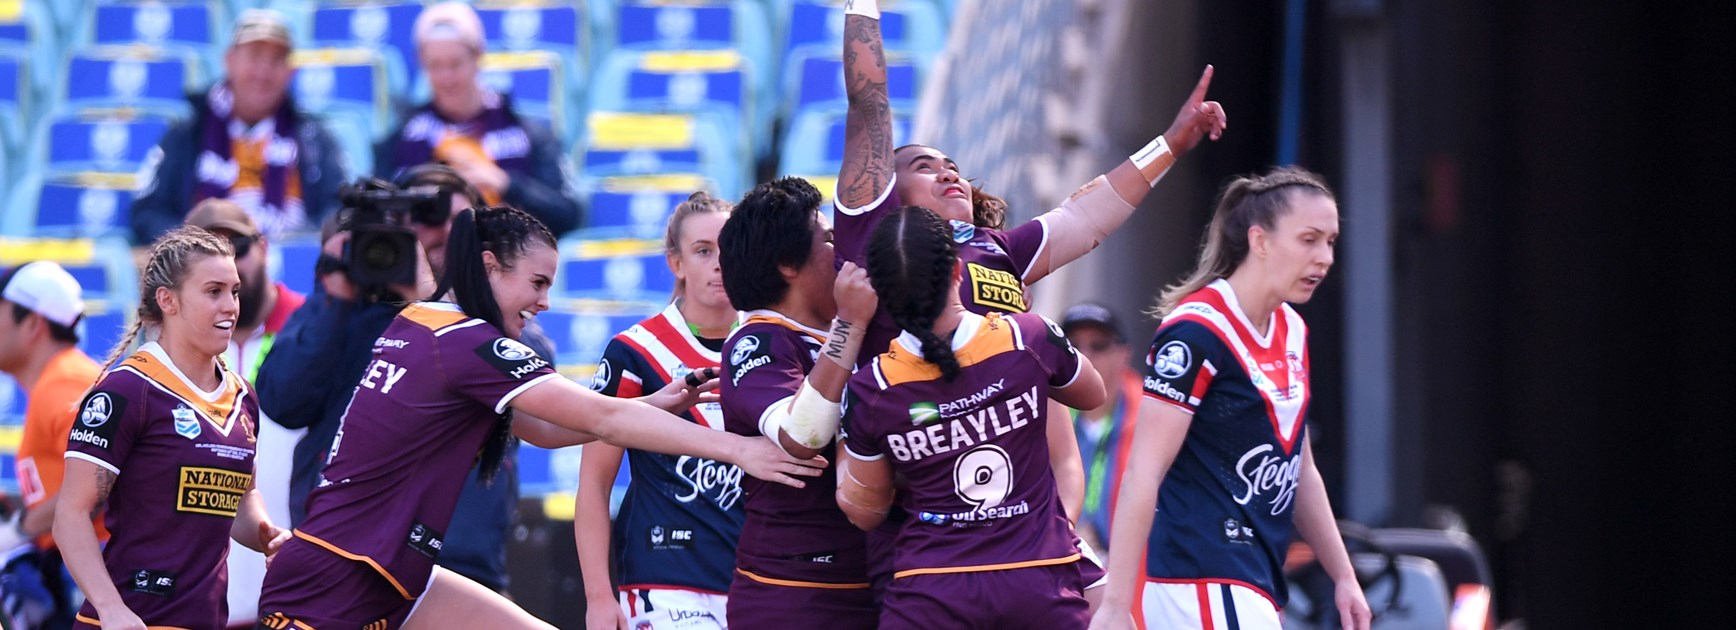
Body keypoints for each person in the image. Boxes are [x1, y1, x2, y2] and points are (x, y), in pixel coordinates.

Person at [255, 206, 821, 629]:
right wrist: (742, 449)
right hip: (336, 577)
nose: (545, 301)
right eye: (537, 282)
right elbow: (599, 420)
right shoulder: (467, 344)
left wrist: (650, 404)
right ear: (487, 266)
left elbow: (544, 430)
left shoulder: (420, 320)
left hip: (388, 570)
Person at [836, 0, 1223, 601]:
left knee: (1112, 610)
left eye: (954, 165)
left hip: (1025, 521)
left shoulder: (996, 250)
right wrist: (863, 7)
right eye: (922, 165)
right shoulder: (873, 239)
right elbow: (869, 106)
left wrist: (1171, 143)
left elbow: (1086, 217)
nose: (947, 172)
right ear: (885, 188)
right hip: (932, 529)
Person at [1088, 168, 1371, 630]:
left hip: (1251, 579)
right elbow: (1144, 470)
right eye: (1309, 239)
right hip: (1199, 577)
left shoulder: (1293, 330)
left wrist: (1343, 574)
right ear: (1259, 241)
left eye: (1331, 241)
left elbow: (1300, 466)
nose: (1325, 257)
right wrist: (1116, 606)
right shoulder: (1197, 331)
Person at [256, 167, 542, 596]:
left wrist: (424, 300)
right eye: (427, 216)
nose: (443, 230)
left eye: (458, 221)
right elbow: (282, 401)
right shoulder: (345, 311)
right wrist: (334, 294)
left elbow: (533, 390)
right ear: (395, 227)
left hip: (461, 565)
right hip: (348, 561)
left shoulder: (505, 323)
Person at [833, 206, 1106, 629]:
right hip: (1037, 580)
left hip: (930, 592)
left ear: (881, 296)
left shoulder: (871, 389)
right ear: (959, 271)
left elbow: (867, 508)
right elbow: (1093, 393)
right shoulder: (1027, 337)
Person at [56, 226, 290, 629]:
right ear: (168, 300)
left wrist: (266, 533)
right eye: (213, 291)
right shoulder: (128, 389)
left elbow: (240, 500)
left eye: (233, 291)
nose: (230, 305)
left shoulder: (241, 396)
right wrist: (112, 611)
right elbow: (70, 516)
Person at [716, 178, 879, 629]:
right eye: (829, 239)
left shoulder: (857, 333)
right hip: (796, 592)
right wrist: (849, 323)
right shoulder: (757, 340)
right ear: (788, 262)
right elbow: (802, 434)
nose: (843, 252)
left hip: (879, 580)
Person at [576, 192, 741, 630]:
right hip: (666, 580)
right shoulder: (634, 351)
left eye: (729, 248)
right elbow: (594, 483)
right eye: (703, 251)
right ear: (676, 264)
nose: (719, 263)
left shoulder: (772, 343)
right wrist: (598, 597)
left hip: (757, 579)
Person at [176, 199, 307, 628]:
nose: (228, 268)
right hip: (202, 602)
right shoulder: (162, 355)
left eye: (239, 249)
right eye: (209, 254)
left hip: (300, 592)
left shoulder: (313, 329)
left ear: (265, 247)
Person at [132, 9, 349, 243]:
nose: (263, 72)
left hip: (291, 266)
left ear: (290, 71)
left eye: (276, 59)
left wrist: (300, 243)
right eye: (255, 56)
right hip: (204, 266)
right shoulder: (187, 133)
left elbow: (339, 211)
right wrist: (198, 247)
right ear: (229, 60)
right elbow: (148, 212)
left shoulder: (315, 138)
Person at [375, 2, 583, 236]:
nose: (447, 77)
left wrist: (505, 183)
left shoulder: (530, 134)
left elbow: (568, 214)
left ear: (478, 55)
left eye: (456, 64)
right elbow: (374, 211)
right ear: (422, 63)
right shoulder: (402, 137)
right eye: (435, 65)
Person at [0, 262, 107, 629]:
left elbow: (99, 481)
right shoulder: (57, 381)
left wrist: (19, 527)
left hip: (95, 572)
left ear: (32, 323)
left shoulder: (64, 382)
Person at [1059, 302, 1143, 554]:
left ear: (1124, 354)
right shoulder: (1044, 416)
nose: (1084, 355)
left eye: (1099, 345)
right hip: (1060, 565)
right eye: (1072, 345)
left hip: (1130, 571)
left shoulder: (1152, 420)